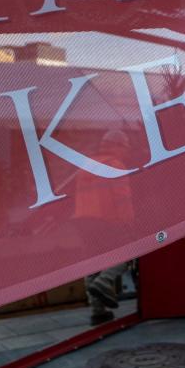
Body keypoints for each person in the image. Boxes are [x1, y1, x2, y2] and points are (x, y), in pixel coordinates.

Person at [75, 130, 134, 326]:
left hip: (83, 221)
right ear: (117, 145)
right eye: (125, 147)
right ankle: (105, 281)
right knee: (126, 254)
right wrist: (129, 224)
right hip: (106, 220)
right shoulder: (115, 165)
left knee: (93, 263)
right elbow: (122, 199)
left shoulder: (86, 165)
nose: (126, 152)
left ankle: (97, 311)